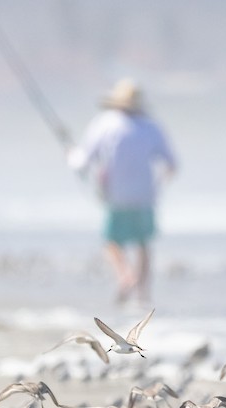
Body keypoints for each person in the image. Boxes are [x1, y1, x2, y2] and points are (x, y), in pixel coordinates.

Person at [67, 78, 177, 305]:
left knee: (112, 241)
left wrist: (71, 155)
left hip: (117, 194)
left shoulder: (105, 123)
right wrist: (158, 186)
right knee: (143, 243)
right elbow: (171, 164)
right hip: (145, 195)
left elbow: (82, 160)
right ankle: (143, 296)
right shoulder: (150, 126)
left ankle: (125, 275)